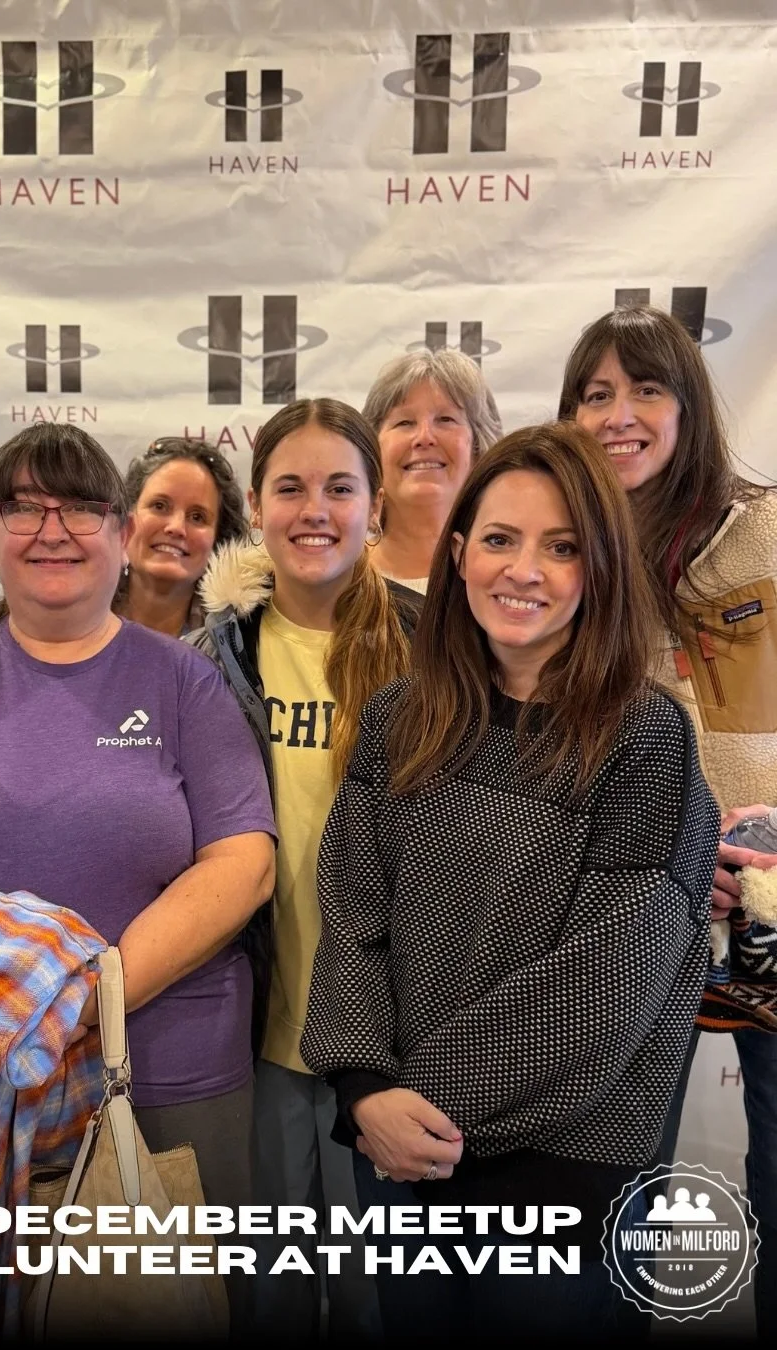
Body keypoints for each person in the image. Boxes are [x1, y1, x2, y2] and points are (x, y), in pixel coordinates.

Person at [0, 423, 276, 1338]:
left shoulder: (186, 683)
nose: (52, 528)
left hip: (160, 1079)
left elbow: (243, 862)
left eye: (79, 506)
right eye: (23, 507)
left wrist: (75, 999)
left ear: (118, 534)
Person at [301, 422, 719, 1339]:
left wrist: (422, 1106)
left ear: (600, 568)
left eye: (561, 547)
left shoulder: (643, 740)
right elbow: (352, 915)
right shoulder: (397, 721)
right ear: (457, 555)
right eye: (498, 539)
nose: (523, 570)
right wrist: (367, 1091)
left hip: (561, 1174)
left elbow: (610, 981)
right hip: (402, 1147)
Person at [560, 303, 777, 1337]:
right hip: (639, 913)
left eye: (645, 389)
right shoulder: (565, 563)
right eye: (594, 394)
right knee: (621, 1188)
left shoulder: (766, 532)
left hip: (773, 907)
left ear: (688, 404)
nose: (619, 415)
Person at [189, 398, 418, 1339]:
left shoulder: (436, 643)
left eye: (339, 487)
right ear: (255, 503)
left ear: (376, 507)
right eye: (290, 487)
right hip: (264, 1030)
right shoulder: (210, 657)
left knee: (383, 1301)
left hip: (398, 1037)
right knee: (269, 1299)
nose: (313, 509)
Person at [361, 349, 502, 594]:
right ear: (371, 450)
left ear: (479, 447)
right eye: (404, 422)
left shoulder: (508, 580)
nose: (424, 438)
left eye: (446, 419)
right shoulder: (336, 577)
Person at [113, 437, 247, 636]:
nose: (176, 528)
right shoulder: (74, 614)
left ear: (218, 541)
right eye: (159, 506)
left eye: (197, 517)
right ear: (126, 518)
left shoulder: (238, 642)